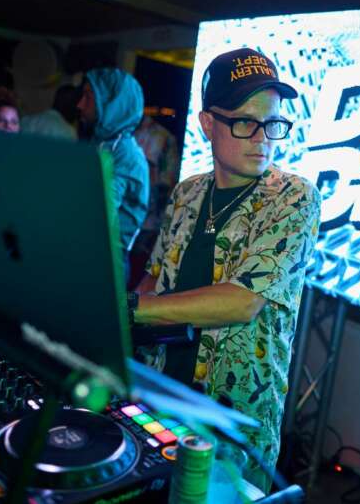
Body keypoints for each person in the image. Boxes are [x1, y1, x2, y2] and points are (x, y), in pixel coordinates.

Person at [131, 48, 321, 492]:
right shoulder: (187, 192)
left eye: (272, 123)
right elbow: (156, 275)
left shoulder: (293, 198)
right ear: (207, 123)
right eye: (244, 122)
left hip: (233, 425)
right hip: (161, 399)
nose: (262, 138)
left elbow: (242, 301)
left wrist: (128, 308)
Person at [77, 68, 149, 263]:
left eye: (88, 96)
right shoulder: (103, 144)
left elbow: (95, 215)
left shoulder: (124, 155)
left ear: (111, 103)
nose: (80, 104)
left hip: (104, 262)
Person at [128, 115, 180, 288]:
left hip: (147, 224)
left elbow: (168, 183)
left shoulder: (162, 137)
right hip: (125, 220)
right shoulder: (120, 132)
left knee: (137, 279)